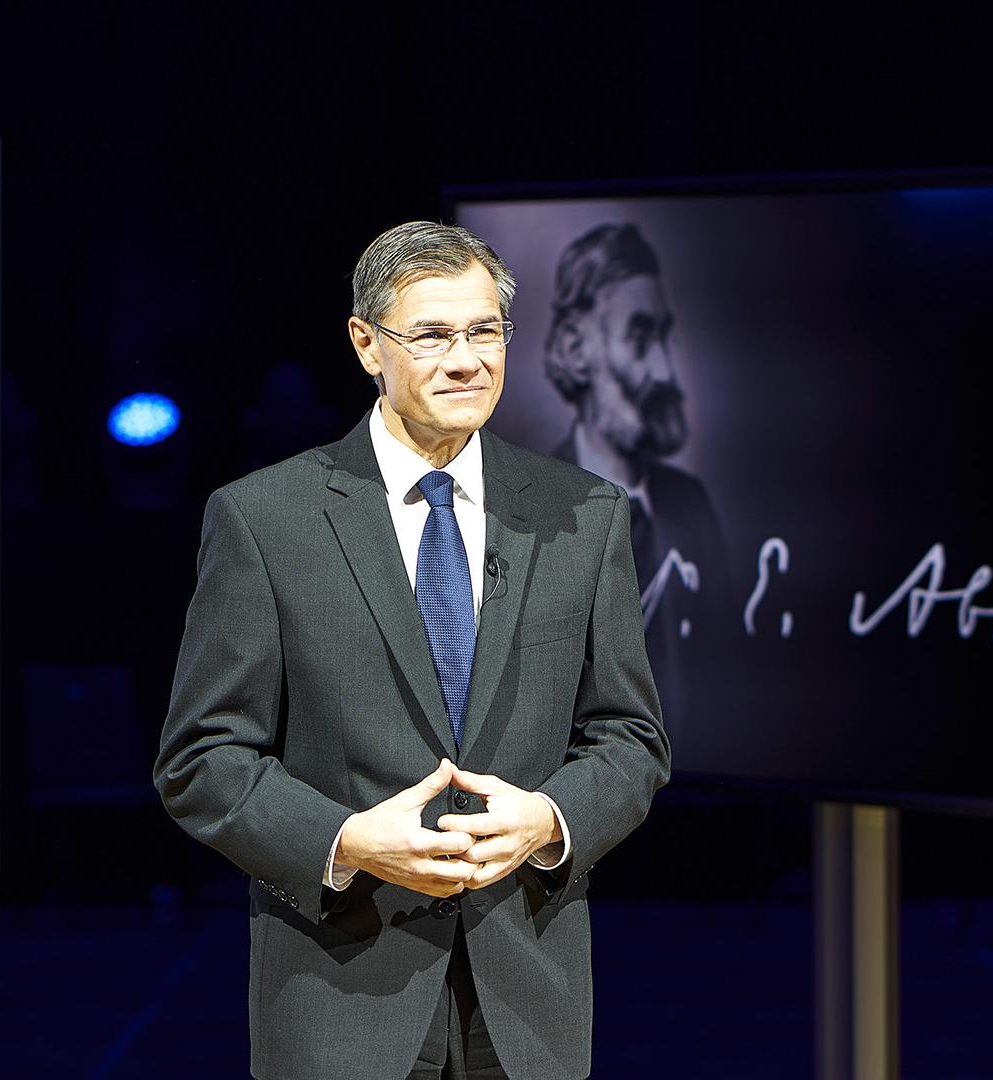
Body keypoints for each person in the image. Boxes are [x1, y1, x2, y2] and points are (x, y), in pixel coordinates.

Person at [154, 221, 669, 1080]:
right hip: (341, 992)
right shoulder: (265, 519)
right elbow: (201, 757)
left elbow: (630, 736)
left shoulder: (586, 513)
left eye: (485, 332)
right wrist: (348, 839)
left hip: (529, 1001)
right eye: (432, 335)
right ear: (367, 344)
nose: (466, 360)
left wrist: (548, 820)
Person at [543, 223, 732, 726]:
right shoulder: (524, 509)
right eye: (639, 335)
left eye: (664, 336)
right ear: (577, 349)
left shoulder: (692, 505)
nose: (667, 372)